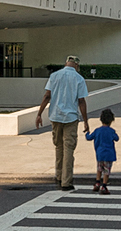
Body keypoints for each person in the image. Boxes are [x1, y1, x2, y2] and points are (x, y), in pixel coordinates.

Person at [35, 55, 90, 191]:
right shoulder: (79, 78)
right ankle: (66, 181)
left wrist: (39, 114)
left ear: (66, 63)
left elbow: (47, 96)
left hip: (55, 116)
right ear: (76, 65)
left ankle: (59, 176)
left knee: (58, 147)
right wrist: (86, 121)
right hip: (71, 118)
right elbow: (81, 101)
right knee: (68, 149)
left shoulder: (54, 76)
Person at [86, 108, 119, 195]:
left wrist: (87, 132)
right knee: (106, 171)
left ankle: (97, 183)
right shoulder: (111, 131)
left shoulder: (97, 131)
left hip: (99, 154)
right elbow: (117, 138)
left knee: (99, 169)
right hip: (109, 154)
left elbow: (89, 137)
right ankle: (104, 186)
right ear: (111, 120)